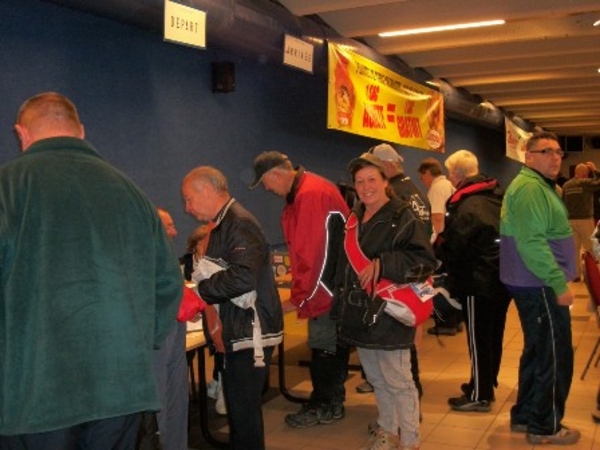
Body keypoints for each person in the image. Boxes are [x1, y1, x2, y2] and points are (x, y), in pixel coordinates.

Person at [0, 92, 183, 449]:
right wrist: (136, 341)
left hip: (33, 395)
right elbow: (166, 286)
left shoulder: (8, 188)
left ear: (21, 133)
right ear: (81, 131)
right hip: (121, 389)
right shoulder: (132, 194)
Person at [333, 152, 437, 450]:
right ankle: (388, 432)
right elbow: (344, 266)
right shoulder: (354, 218)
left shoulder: (402, 215)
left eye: (371, 180)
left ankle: (410, 441)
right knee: (377, 379)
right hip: (360, 313)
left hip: (389, 312)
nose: (366, 187)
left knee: (400, 382)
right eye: (359, 181)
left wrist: (384, 264)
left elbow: (424, 261)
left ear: (384, 181)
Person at [181, 166, 283, 450]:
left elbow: (242, 276)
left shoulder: (238, 222)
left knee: (244, 416)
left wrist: (199, 292)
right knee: (240, 415)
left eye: (189, 199)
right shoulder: (225, 223)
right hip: (241, 330)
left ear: (208, 190)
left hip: (250, 333)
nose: (187, 208)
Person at [249, 151, 350, 427]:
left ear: (277, 174)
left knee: (323, 346)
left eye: (266, 183)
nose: (268, 189)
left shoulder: (309, 195)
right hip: (332, 284)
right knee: (332, 346)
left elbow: (312, 253)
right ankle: (332, 400)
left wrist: (298, 298)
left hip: (326, 288)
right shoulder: (308, 189)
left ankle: (324, 405)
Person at [500, 131, 580, 445]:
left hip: (533, 283)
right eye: (547, 151)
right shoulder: (531, 188)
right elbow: (531, 242)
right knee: (555, 355)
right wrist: (558, 283)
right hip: (540, 283)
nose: (556, 157)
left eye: (559, 152)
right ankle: (545, 426)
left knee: (537, 351)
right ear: (528, 156)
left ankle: (525, 415)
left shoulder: (535, 186)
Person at [435, 150, 512, 413]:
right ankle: (484, 382)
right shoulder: (496, 196)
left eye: (449, 172)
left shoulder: (467, 204)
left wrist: (438, 255)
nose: (448, 177)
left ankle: (480, 395)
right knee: (493, 335)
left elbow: (456, 245)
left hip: (477, 280)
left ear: (458, 175)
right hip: (503, 275)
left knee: (478, 339)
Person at [367, 143, 430, 403]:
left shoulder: (397, 198)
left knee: (399, 350)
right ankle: (409, 397)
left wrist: (381, 264)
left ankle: (407, 408)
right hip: (416, 277)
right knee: (409, 339)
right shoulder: (415, 190)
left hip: (400, 279)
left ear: (388, 168)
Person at [153, 207, 190, 450]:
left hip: (174, 326)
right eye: (169, 226)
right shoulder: (147, 260)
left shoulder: (163, 259)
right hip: (159, 331)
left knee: (176, 397)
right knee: (163, 401)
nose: (175, 232)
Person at [561, 162, 600, 281]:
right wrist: (595, 170)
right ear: (584, 173)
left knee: (574, 249)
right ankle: (594, 275)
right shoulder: (585, 183)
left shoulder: (566, 185)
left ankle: (576, 275)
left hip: (570, 221)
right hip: (585, 219)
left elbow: (562, 203)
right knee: (591, 248)